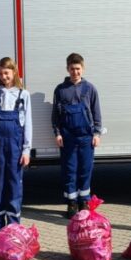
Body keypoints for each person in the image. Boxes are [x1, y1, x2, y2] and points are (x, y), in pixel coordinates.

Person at [0, 56, 32, 232]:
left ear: (14, 72)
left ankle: (12, 227)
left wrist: (26, 150)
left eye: (7, 73)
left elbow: (28, 124)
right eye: (0, 73)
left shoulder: (23, 94)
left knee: (14, 185)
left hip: (16, 148)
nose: (4, 76)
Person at [52, 52, 102, 217]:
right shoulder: (60, 90)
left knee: (85, 170)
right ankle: (71, 203)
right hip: (68, 137)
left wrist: (97, 133)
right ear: (67, 69)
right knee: (70, 170)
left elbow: (96, 112)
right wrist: (57, 133)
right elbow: (55, 115)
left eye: (78, 69)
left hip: (86, 137)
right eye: (72, 69)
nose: (75, 72)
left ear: (83, 68)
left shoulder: (90, 89)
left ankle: (84, 201)